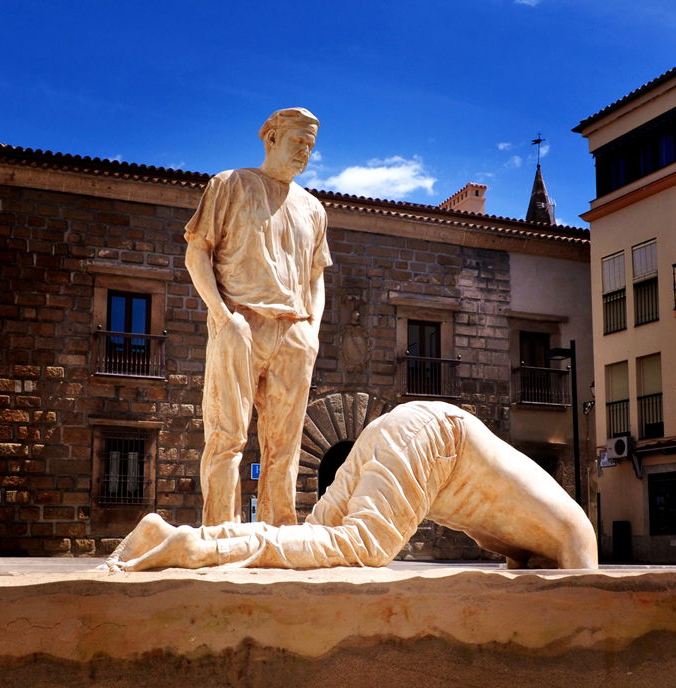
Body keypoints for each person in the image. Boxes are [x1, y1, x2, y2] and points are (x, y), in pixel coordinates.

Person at [107, 401, 598, 572]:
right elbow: (582, 584)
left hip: (397, 429)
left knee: (318, 550)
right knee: (361, 547)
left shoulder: (531, 537)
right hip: (437, 440)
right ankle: (193, 546)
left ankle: (173, 534)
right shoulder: (574, 534)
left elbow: (520, 566)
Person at [185, 107, 331, 526]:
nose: (305, 152)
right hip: (240, 322)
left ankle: (279, 530)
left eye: (310, 146)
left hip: (294, 333)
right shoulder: (230, 184)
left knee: (285, 444)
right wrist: (223, 315)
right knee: (227, 435)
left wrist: (312, 330)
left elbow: (316, 277)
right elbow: (198, 252)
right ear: (270, 138)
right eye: (298, 142)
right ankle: (219, 532)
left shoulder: (314, 209)